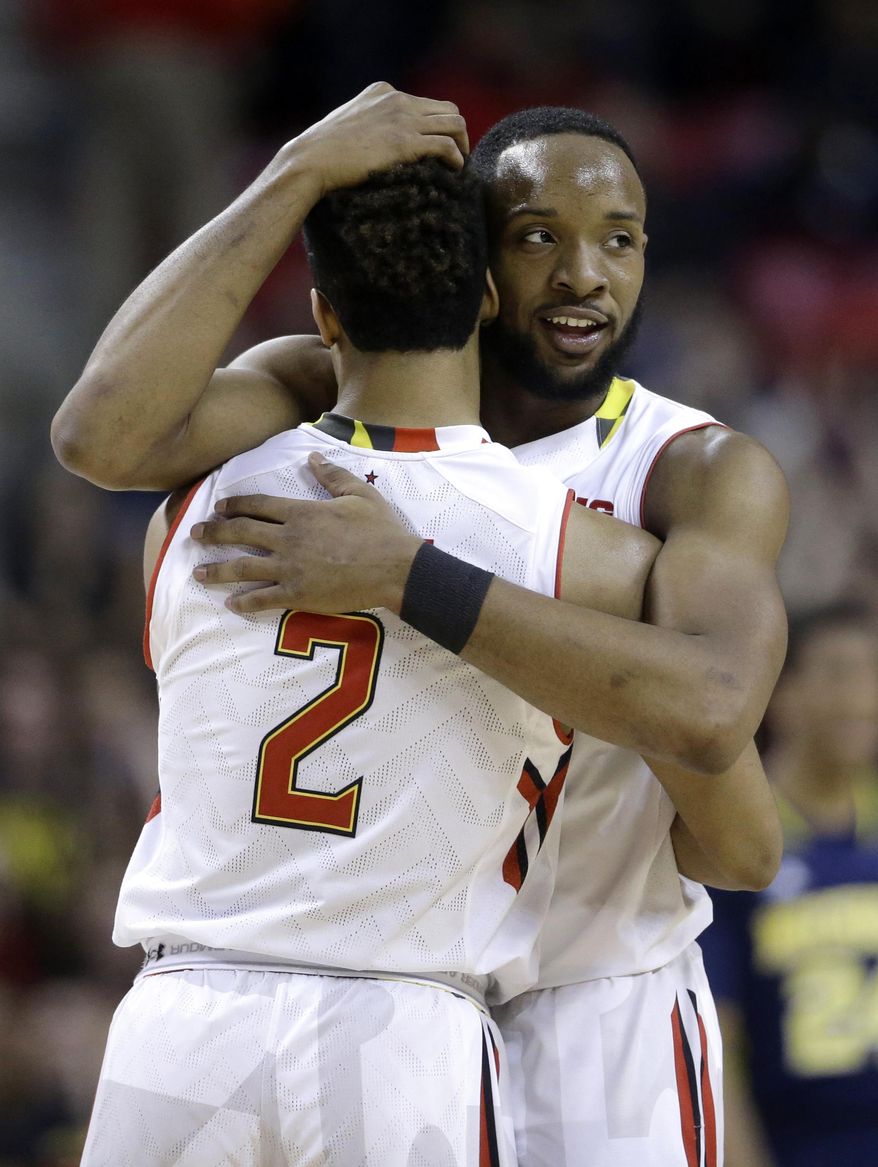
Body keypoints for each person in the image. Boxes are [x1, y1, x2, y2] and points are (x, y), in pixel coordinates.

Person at [53, 85, 786, 1165]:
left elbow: (727, 777)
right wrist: (295, 169)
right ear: (478, 273)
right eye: (540, 238)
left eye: (619, 241)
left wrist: (410, 575)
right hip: (405, 992)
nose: (584, 274)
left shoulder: (693, 467)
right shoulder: (319, 391)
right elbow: (101, 438)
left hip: (591, 989)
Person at [701, 604, 878, 1167]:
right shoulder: (738, 837)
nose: (862, 697)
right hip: (797, 1143)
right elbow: (718, 1043)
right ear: (783, 695)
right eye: (839, 674)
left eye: (872, 673)